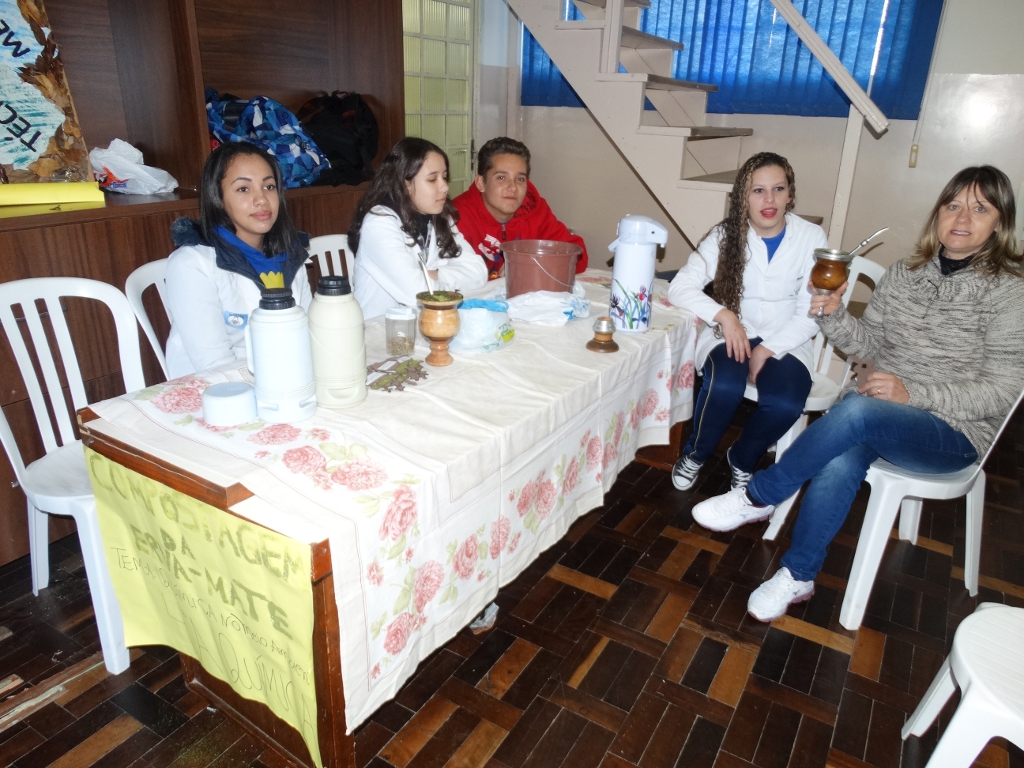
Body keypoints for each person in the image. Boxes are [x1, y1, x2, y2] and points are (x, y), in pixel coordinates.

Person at [691, 165, 1024, 622]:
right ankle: (798, 575)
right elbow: (869, 346)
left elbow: (1002, 392)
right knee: (842, 451)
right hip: (883, 414)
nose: (962, 217)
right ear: (938, 214)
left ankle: (758, 495)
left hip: (954, 432)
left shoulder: (1010, 293)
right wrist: (829, 314)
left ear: (999, 223)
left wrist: (913, 392)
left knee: (856, 410)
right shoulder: (905, 275)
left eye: (980, 208)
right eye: (953, 205)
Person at [667, 152, 828, 492]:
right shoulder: (726, 236)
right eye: (758, 191)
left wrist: (768, 349)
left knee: (786, 404)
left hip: (787, 338)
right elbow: (681, 285)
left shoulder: (811, 238)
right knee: (724, 384)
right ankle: (696, 453)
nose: (769, 200)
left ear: (790, 194)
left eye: (778, 189)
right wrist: (725, 316)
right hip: (732, 332)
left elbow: (813, 310)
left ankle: (742, 458)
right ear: (743, 197)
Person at [165, 142, 312, 378]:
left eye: (269, 186)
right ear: (218, 198)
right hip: (216, 393)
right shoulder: (192, 265)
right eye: (244, 189)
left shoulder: (291, 255)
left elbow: (308, 335)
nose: (261, 199)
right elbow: (214, 366)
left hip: (285, 380)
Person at [350, 137, 487, 317]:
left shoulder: (439, 215)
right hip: (379, 331)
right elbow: (417, 293)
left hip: (424, 323)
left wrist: (434, 274)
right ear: (405, 183)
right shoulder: (379, 223)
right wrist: (449, 282)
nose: (445, 186)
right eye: (432, 179)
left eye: (444, 177)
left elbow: (478, 273)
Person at [452, 137, 588, 280]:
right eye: (501, 178)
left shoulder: (535, 210)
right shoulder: (455, 217)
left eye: (520, 179)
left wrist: (531, 265)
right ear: (481, 183)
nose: (513, 187)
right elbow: (443, 277)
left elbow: (578, 255)